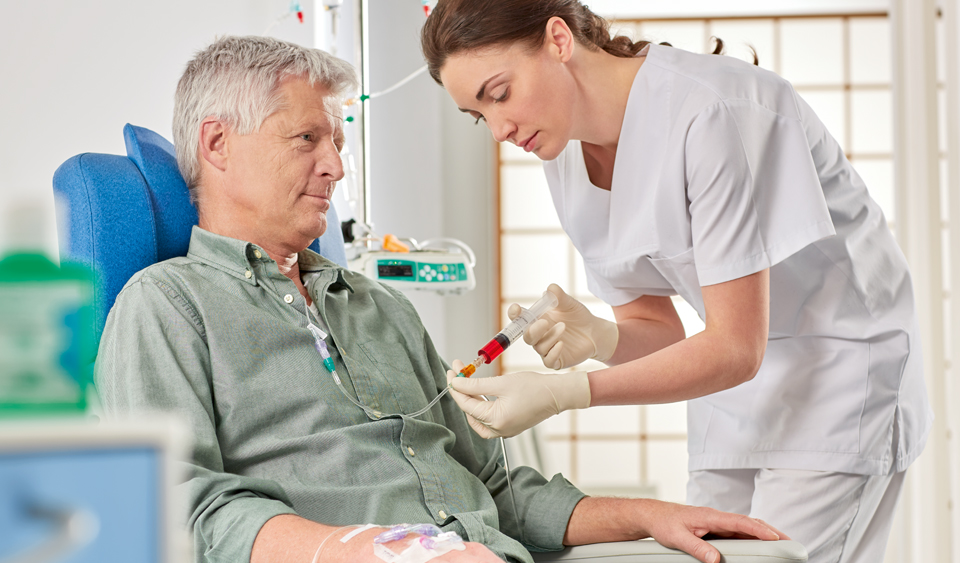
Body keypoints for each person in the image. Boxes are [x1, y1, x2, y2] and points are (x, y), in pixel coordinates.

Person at [95, 35, 786, 563]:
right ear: (217, 143)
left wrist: (647, 514)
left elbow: (502, 493)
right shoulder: (166, 306)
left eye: (336, 142)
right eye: (307, 138)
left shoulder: (376, 306)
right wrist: (384, 550)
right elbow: (184, 508)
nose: (335, 165)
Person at [420, 1, 933, 562]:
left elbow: (736, 346)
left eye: (500, 93)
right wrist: (601, 336)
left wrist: (566, 392)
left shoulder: (715, 110)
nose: (499, 130)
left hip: (838, 378)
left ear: (558, 40)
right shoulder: (564, 151)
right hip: (728, 397)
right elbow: (657, 329)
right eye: (478, 114)